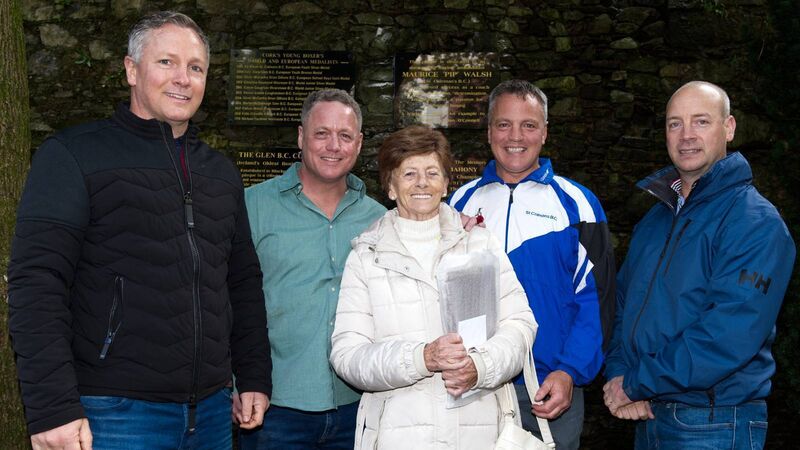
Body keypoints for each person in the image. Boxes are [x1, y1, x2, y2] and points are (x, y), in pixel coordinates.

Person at [7, 11, 271, 450]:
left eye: (196, 67)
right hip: (113, 413)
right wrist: (52, 407)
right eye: (166, 62)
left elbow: (241, 282)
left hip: (210, 412)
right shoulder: (73, 155)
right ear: (132, 70)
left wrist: (254, 376)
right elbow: (36, 282)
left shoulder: (221, 173)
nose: (183, 79)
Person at [603, 81, 796, 449]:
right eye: (675, 123)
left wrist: (635, 383)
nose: (686, 135)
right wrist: (621, 373)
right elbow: (623, 306)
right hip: (650, 416)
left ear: (730, 127)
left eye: (701, 122)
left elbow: (728, 333)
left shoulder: (755, 222)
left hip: (714, 422)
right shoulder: (655, 220)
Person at [329, 124, 536, 449]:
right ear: (391, 186)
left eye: (432, 172)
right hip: (399, 435)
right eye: (409, 173)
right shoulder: (367, 256)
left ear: (445, 184)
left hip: (478, 433)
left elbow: (520, 324)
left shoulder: (480, 243)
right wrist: (421, 358)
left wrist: (480, 367)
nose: (422, 182)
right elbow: (347, 355)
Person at [449, 79, 615, 449]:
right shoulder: (458, 202)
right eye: (504, 124)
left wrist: (570, 370)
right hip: (473, 384)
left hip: (547, 388)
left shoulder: (578, 205)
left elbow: (597, 301)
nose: (515, 136)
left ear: (544, 132)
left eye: (529, 125)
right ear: (489, 130)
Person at [241, 89, 386, 449]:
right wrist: (238, 381)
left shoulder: (380, 220)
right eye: (322, 133)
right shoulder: (252, 206)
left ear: (359, 143)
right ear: (302, 136)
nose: (333, 145)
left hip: (360, 408)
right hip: (273, 408)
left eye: (345, 135)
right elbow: (228, 300)